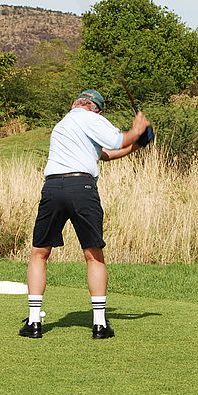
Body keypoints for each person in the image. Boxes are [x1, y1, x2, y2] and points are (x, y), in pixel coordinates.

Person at [19, 89, 151, 340]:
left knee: (40, 252)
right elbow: (116, 141)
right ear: (96, 109)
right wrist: (138, 129)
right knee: (93, 255)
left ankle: (34, 322)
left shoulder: (64, 125)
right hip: (82, 188)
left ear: (76, 103)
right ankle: (99, 324)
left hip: (53, 187)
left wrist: (136, 145)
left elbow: (107, 154)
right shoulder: (91, 118)